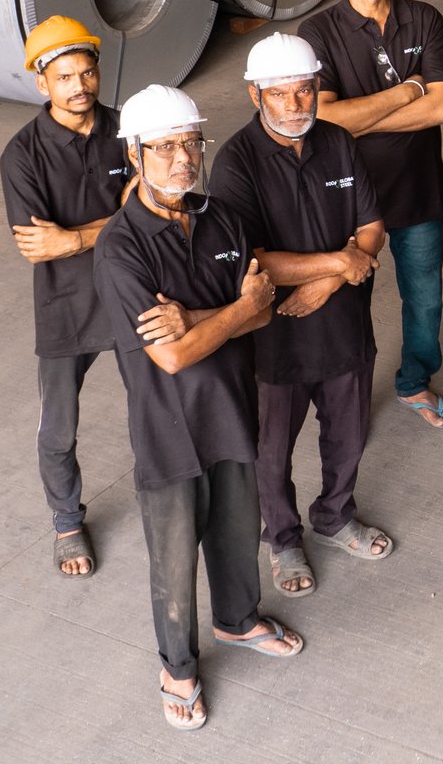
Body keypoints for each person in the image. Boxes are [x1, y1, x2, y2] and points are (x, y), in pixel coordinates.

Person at [92, 85, 303, 731]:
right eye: (165, 147)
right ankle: (177, 668)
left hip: (232, 408)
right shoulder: (121, 246)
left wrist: (205, 317)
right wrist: (234, 311)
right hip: (168, 429)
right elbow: (173, 357)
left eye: (191, 143)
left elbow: (265, 305)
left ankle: (238, 620)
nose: (183, 159)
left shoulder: (222, 218)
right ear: (135, 153)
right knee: (175, 558)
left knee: (239, 532)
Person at [209, 33, 392, 600]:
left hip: (342, 323)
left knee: (349, 433)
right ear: (254, 94)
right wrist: (338, 260)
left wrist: (331, 277)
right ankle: (283, 537)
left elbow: (371, 230)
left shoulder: (338, 142)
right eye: (280, 93)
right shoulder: (235, 162)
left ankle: (336, 517)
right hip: (273, 339)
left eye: (305, 90)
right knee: (271, 449)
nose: (295, 105)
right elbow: (250, 258)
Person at [301, 0, 443, 432]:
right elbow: (323, 118)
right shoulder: (318, 31)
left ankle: (414, 380)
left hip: (418, 190)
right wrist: (407, 90)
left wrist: (361, 117)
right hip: (350, 197)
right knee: (352, 300)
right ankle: (349, 397)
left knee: (425, 295)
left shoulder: (425, 18)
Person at [0, 16, 129, 579]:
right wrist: (120, 221)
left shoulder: (129, 128)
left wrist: (76, 235)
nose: (80, 85)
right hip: (66, 305)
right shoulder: (21, 156)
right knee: (58, 428)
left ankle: (174, 493)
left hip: (132, 292)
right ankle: (67, 521)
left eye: (87, 72)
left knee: (162, 404)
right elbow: (38, 248)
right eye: (65, 76)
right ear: (41, 84)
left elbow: (162, 215)